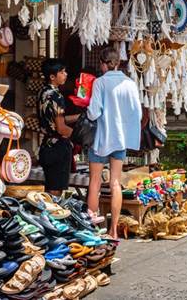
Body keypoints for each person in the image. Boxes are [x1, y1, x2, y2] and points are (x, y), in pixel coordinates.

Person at [86, 47, 143, 239]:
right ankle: (114, 229)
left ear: (103, 63)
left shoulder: (100, 83)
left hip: (101, 138)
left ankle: (93, 230)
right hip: (120, 139)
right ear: (118, 62)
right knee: (116, 183)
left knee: (94, 182)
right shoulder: (130, 83)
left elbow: (94, 112)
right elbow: (138, 113)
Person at [37, 59, 79, 196]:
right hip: (58, 148)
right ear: (52, 77)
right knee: (55, 192)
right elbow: (61, 128)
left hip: (46, 146)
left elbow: (55, 119)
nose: (65, 74)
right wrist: (79, 137)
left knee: (50, 188)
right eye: (62, 72)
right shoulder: (57, 96)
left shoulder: (42, 92)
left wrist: (78, 117)